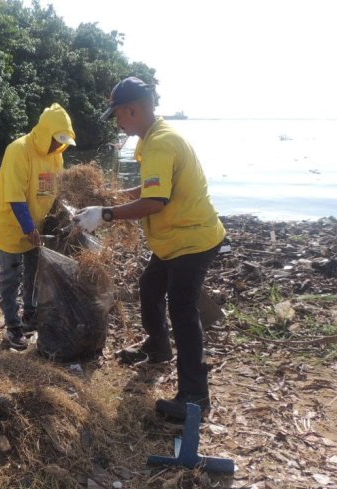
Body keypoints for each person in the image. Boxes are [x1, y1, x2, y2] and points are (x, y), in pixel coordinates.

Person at [74, 77, 225, 423]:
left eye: (118, 115)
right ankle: (158, 347)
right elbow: (153, 186)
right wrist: (116, 197)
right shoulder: (155, 139)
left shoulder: (160, 144)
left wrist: (106, 214)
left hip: (192, 240)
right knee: (149, 287)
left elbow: (156, 201)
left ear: (133, 109)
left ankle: (195, 397)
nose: (117, 122)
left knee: (183, 310)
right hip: (175, 241)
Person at [0, 103, 76, 350]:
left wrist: (61, 217)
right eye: (55, 141)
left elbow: (57, 191)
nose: (58, 146)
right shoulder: (19, 150)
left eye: (62, 142)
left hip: (35, 223)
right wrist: (28, 228)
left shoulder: (57, 155)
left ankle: (31, 313)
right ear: (44, 132)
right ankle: (13, 325)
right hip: (11, 222)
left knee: (34, 271)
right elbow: (15, 196)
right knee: (10, 274)